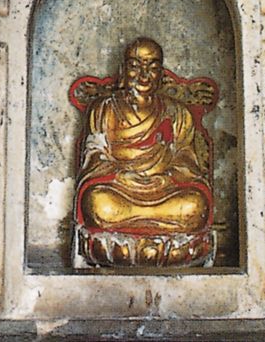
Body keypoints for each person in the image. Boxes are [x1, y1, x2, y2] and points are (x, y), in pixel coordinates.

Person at [75, 38, 213, 266]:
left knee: (195, 206)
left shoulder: (178, 113)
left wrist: (167, 177)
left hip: (165, 189)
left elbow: (186, 159)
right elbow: (95, 154)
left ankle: (142, 228)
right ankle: (150, 233)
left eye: (152, 66)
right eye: (135, 65)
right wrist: (120, 176)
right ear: (123, 69)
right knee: (98, 203)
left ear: (161, 73)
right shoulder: (104, 109)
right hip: (120, 189)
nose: (144, 74)